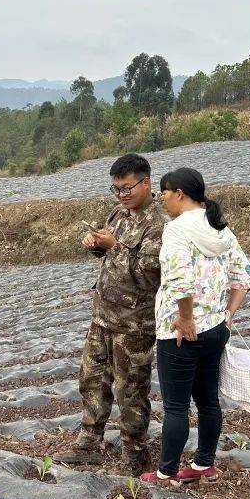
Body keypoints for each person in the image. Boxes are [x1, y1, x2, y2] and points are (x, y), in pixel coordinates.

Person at [140, 167, 250, 485]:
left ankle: (167, 472)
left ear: (179, 194)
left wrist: (187, 318)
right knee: (207, 401)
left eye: (164, 193)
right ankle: (204, 464)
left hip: (181, 333)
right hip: (216, 329)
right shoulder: (220, 229)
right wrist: (228, 315)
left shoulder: (177, 230)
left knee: (176, 406)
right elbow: (244, 277)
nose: (162, 200)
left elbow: (180, 281)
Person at [56, 153, 164, 473]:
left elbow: (149, 273)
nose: (121, 195)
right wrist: (96, 244)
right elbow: (108, 253)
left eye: (127, 189)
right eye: (116, 189)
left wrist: (115, 245)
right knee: (92, 378)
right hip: (103, 314)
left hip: (135, 322)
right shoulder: (118, 213)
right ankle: (90, 439)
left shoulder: (158, 223)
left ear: (146, 183)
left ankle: (135, 451)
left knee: (130, 387)